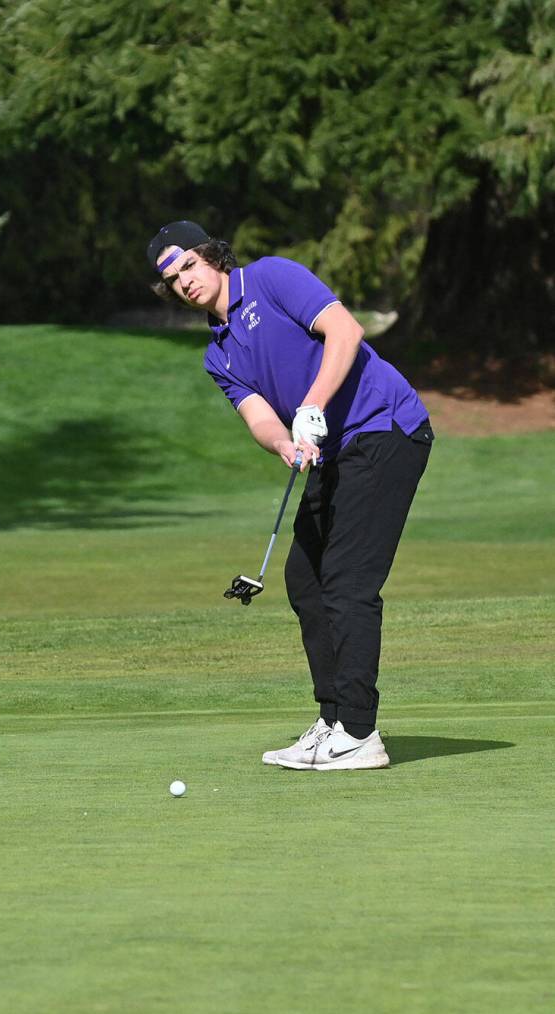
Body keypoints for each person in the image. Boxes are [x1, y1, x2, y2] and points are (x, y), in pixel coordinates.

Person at [146, 220, 434, 770]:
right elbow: (257, 415)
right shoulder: (218, 355)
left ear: (212, 256)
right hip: (330, 449)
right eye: (173, 279)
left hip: (386, 426)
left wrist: (311, 405)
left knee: (348, 582)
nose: (185, 282)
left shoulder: (272, 278)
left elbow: (346, 330)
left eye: (189, 266)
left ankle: (359, 732)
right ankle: (333, 720)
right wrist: (284, 442)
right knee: (304, 578)